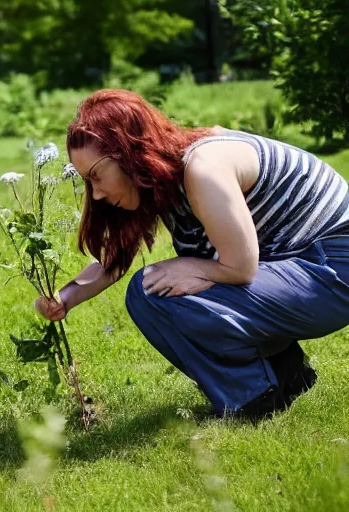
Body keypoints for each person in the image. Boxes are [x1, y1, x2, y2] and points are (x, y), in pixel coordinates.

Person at [35, 89, 349, 419]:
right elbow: (114, 260)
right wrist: (65, 296)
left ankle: (253, 399)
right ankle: (287, 376)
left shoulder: (203, 168)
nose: (95, 194)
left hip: (332, 267)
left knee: (155, 291)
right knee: (151, 289)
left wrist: (191, 265)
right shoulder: (164, 178)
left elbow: (241, 268)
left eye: (96, 176)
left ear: (129, 153)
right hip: (305, 265)